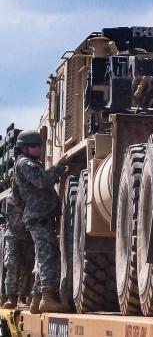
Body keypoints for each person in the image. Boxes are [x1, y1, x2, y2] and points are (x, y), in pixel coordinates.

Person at [13, 130, 70, 313]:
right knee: (47, 256)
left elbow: (16, 196)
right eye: (32, 145)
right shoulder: (25, 163)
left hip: (38, 215)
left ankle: (37, 301)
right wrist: (59, 166)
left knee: (45, 253)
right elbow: (41, 181)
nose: (37, 148)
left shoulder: (29, 163)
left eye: (38, 145)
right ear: (23, 148)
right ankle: (47, 298)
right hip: (39, 216)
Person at [0, 191, 35, 309]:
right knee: (12, 264)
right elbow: (10, 216)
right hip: (13, 235)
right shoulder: (12, 196)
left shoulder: (32, 194)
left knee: (27, 265)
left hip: (28, 235)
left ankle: (22, 296)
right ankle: (11, 297)